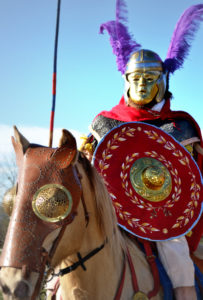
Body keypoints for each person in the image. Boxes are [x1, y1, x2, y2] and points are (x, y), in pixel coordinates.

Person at [81, 2, 203, 300]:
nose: (142, 85)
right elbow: (87, 165)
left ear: (162, 81)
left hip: (163, 213)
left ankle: (186, 293)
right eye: (136, 79)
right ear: (125, 80)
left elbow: (193, 178)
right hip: (109, 208)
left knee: (174, 246)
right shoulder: (104, 123)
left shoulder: (180, 126)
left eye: (149, 79)